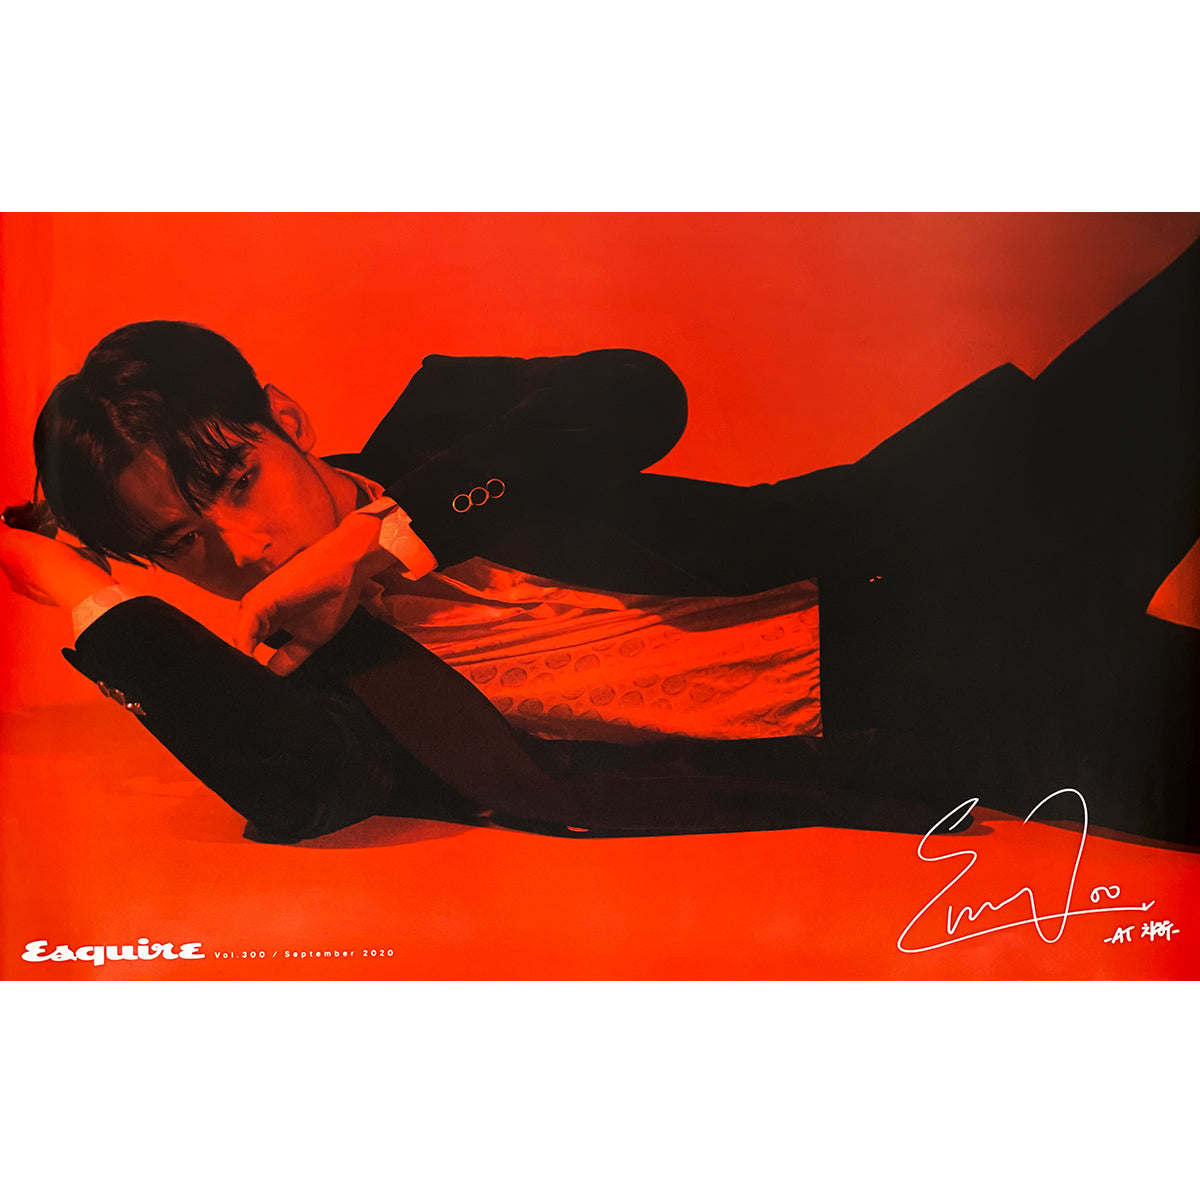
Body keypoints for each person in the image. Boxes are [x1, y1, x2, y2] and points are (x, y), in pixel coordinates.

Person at [4, 236, 1198, 845]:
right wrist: (74, 590)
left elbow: (638, 391)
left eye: (239, 481)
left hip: (953, 520)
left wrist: (374, 545)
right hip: (954, 709)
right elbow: (299, 790)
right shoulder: (321, 694)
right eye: (184, 542)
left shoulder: (447, 430)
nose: (243, 545)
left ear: (283, 419)